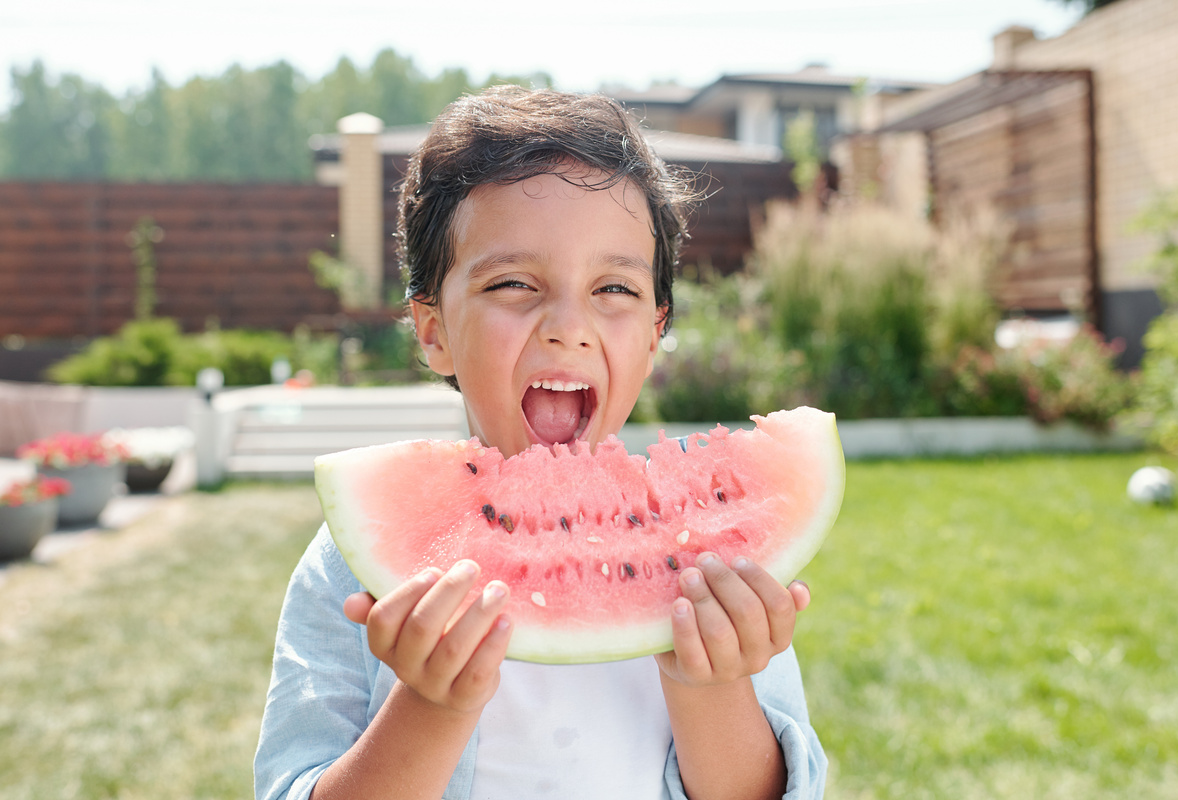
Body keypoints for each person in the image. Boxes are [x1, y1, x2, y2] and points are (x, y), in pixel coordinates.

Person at [254, 86, 827, 800]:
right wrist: (431, 704)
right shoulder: (352, 566)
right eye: (516, 282)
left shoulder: (710, 561)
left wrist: (710, 682)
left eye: (614, 289)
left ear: (654, 334)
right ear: (433, 331)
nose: (569, 325)